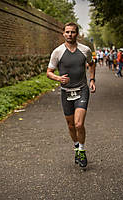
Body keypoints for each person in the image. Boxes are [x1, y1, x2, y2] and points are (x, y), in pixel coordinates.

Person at [47, 22, 96, 168]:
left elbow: (92, 64)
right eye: (67, 32)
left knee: (78, 124)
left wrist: (92, 79)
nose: (70, 35)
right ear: (63, 34)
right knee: (70, 125)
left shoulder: (85, 50)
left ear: (77, 34)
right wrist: (58, 78)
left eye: (73, 32)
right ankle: (76, 146)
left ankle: (81, 150)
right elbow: (49, 72)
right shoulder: (57, 52)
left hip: (82, 90)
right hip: (66, 93)